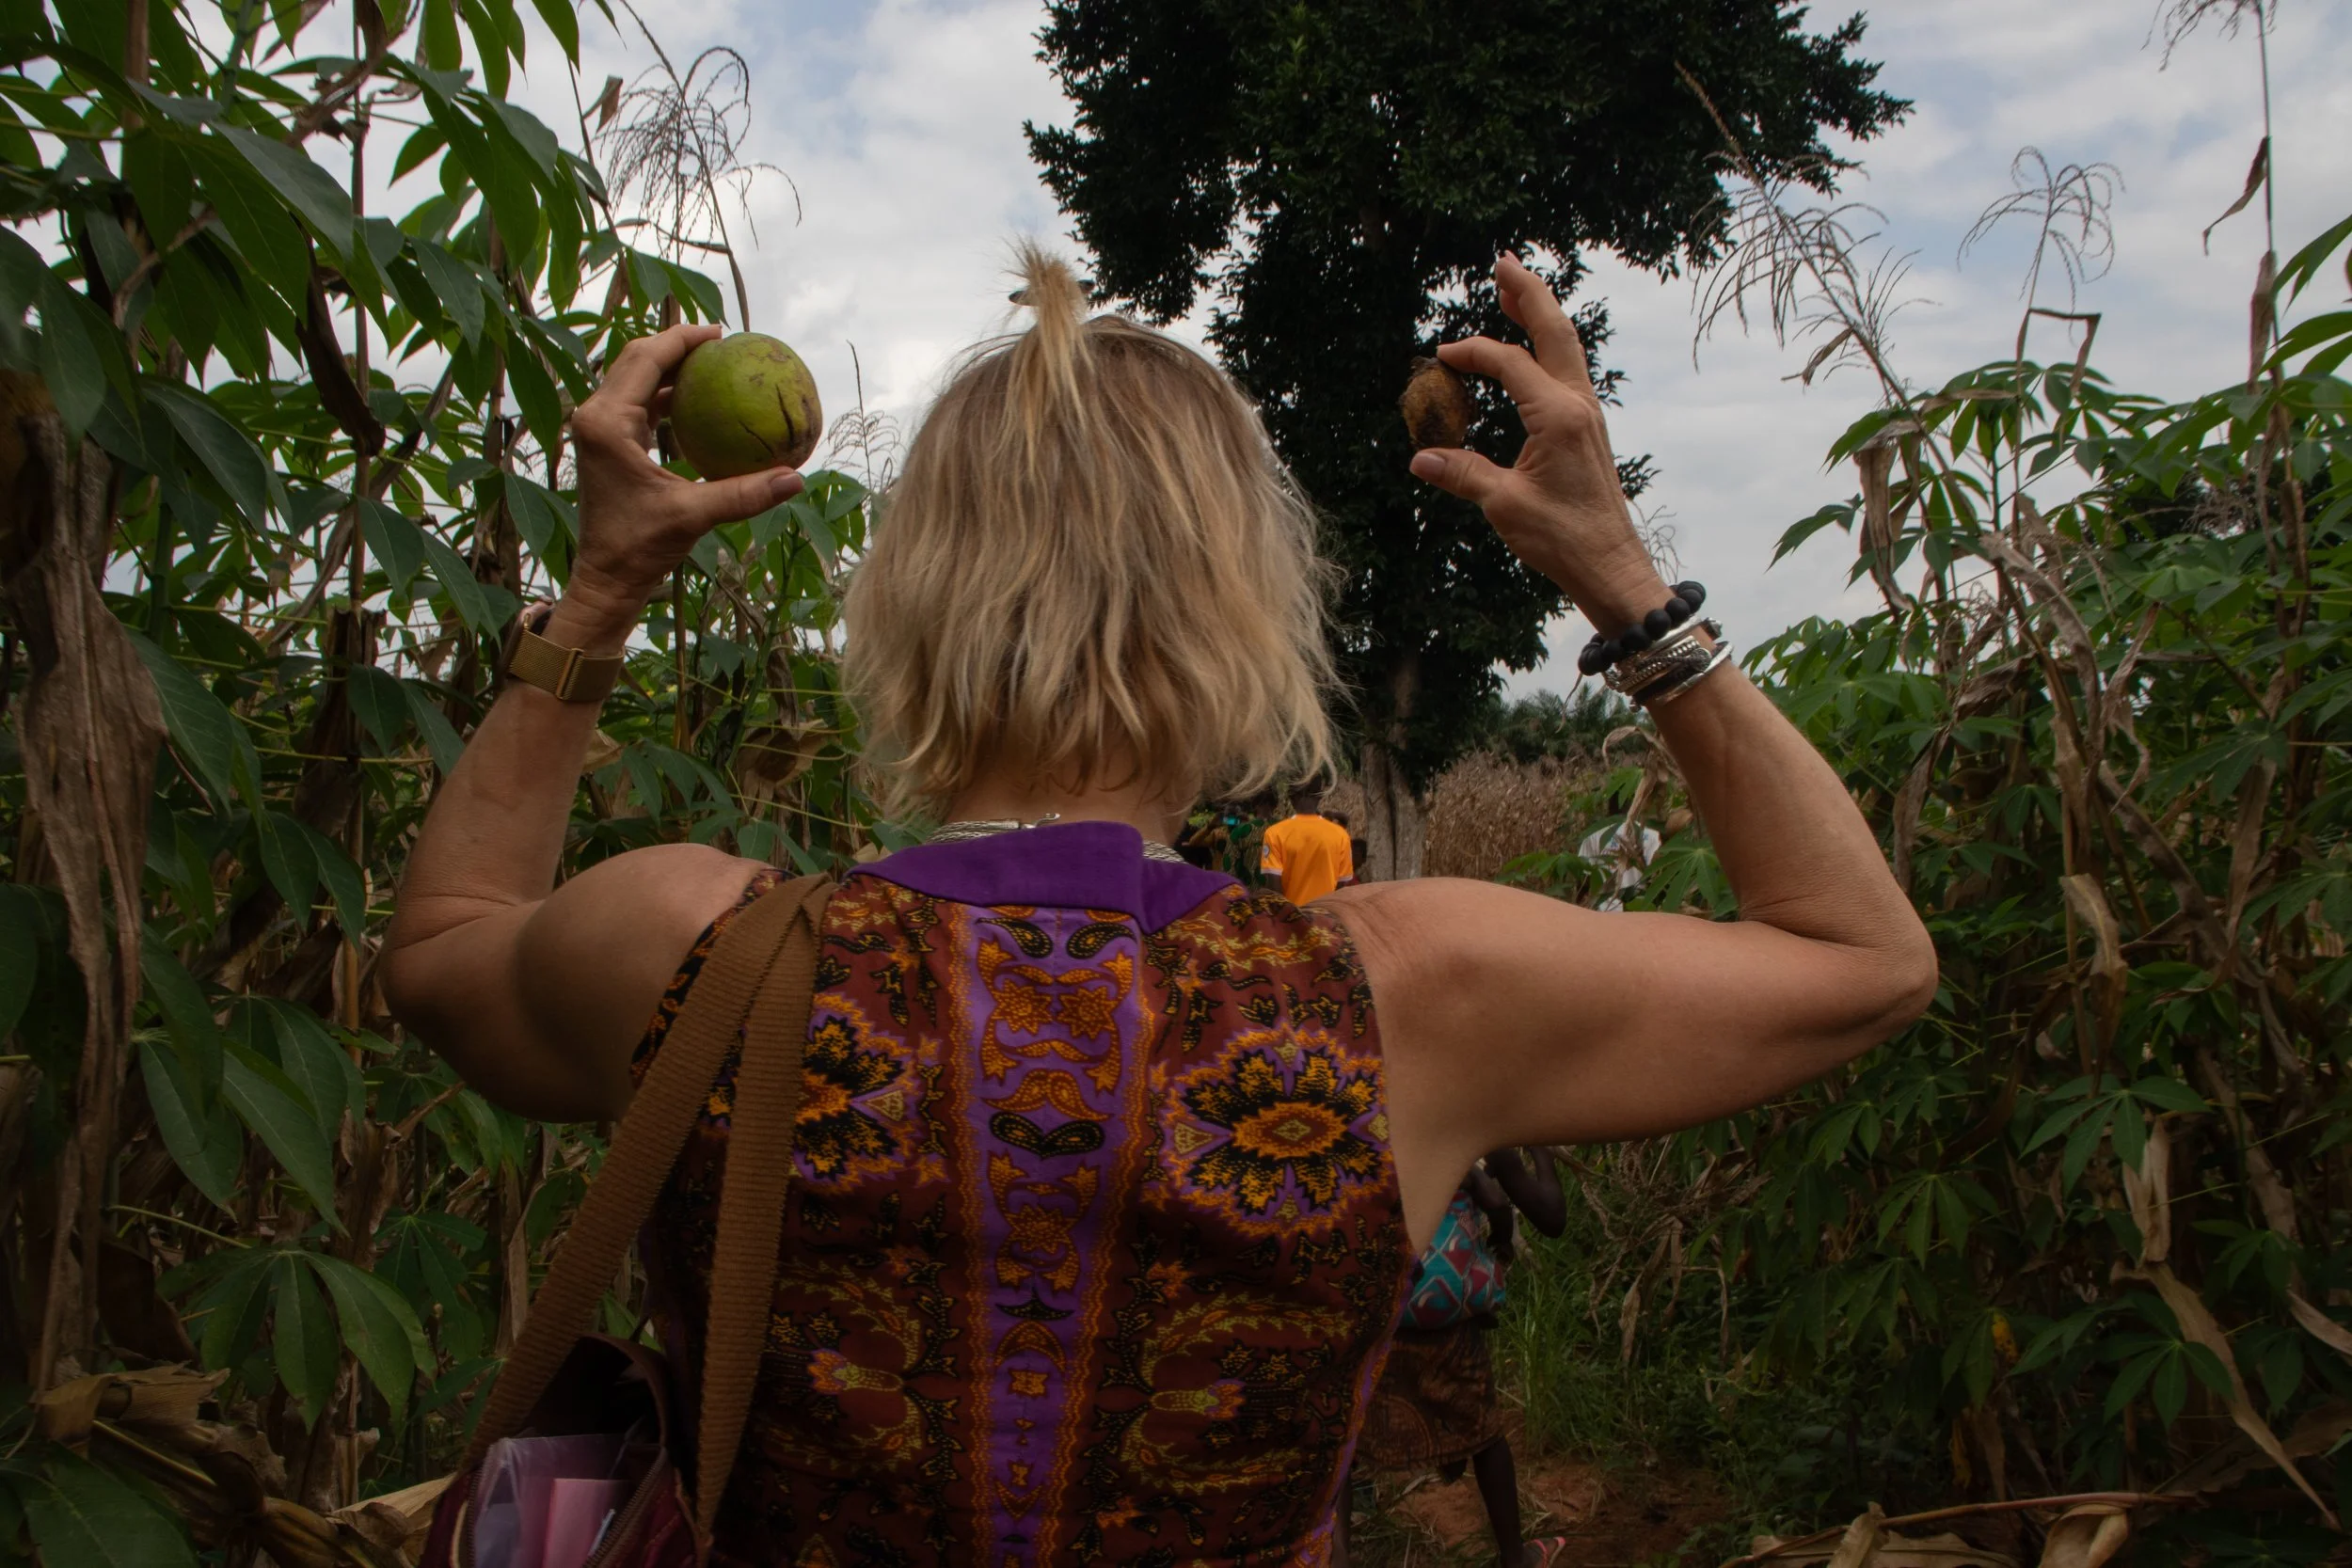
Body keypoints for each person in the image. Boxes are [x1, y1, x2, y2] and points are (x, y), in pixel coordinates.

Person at [384, 246, 1936, 1566]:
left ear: (907, 590)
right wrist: (1614, 573)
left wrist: (598, 596)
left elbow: (444, 950)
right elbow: (1858, 956)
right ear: (1246, 605)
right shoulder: (1410, 992)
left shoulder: (690, 946)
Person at [1342, 1148, 1566, 1568]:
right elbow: (1551, 1218)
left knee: (1346, 1435)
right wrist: (1542, 1148)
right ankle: (1514, 1557)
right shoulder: (1484, 1141)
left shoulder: (1371, 1128)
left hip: (1377, 1314)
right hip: (1447, 1319)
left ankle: (1333, 1554)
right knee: (1484, 1434)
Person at [1261, 779, 1356, 904]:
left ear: (1291, 797)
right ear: (1320, 796)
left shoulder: (1274, 833)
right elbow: (1341, 885)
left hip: (1293, 919)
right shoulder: (1341, 835)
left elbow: (1274, 887)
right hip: (1327, 918)